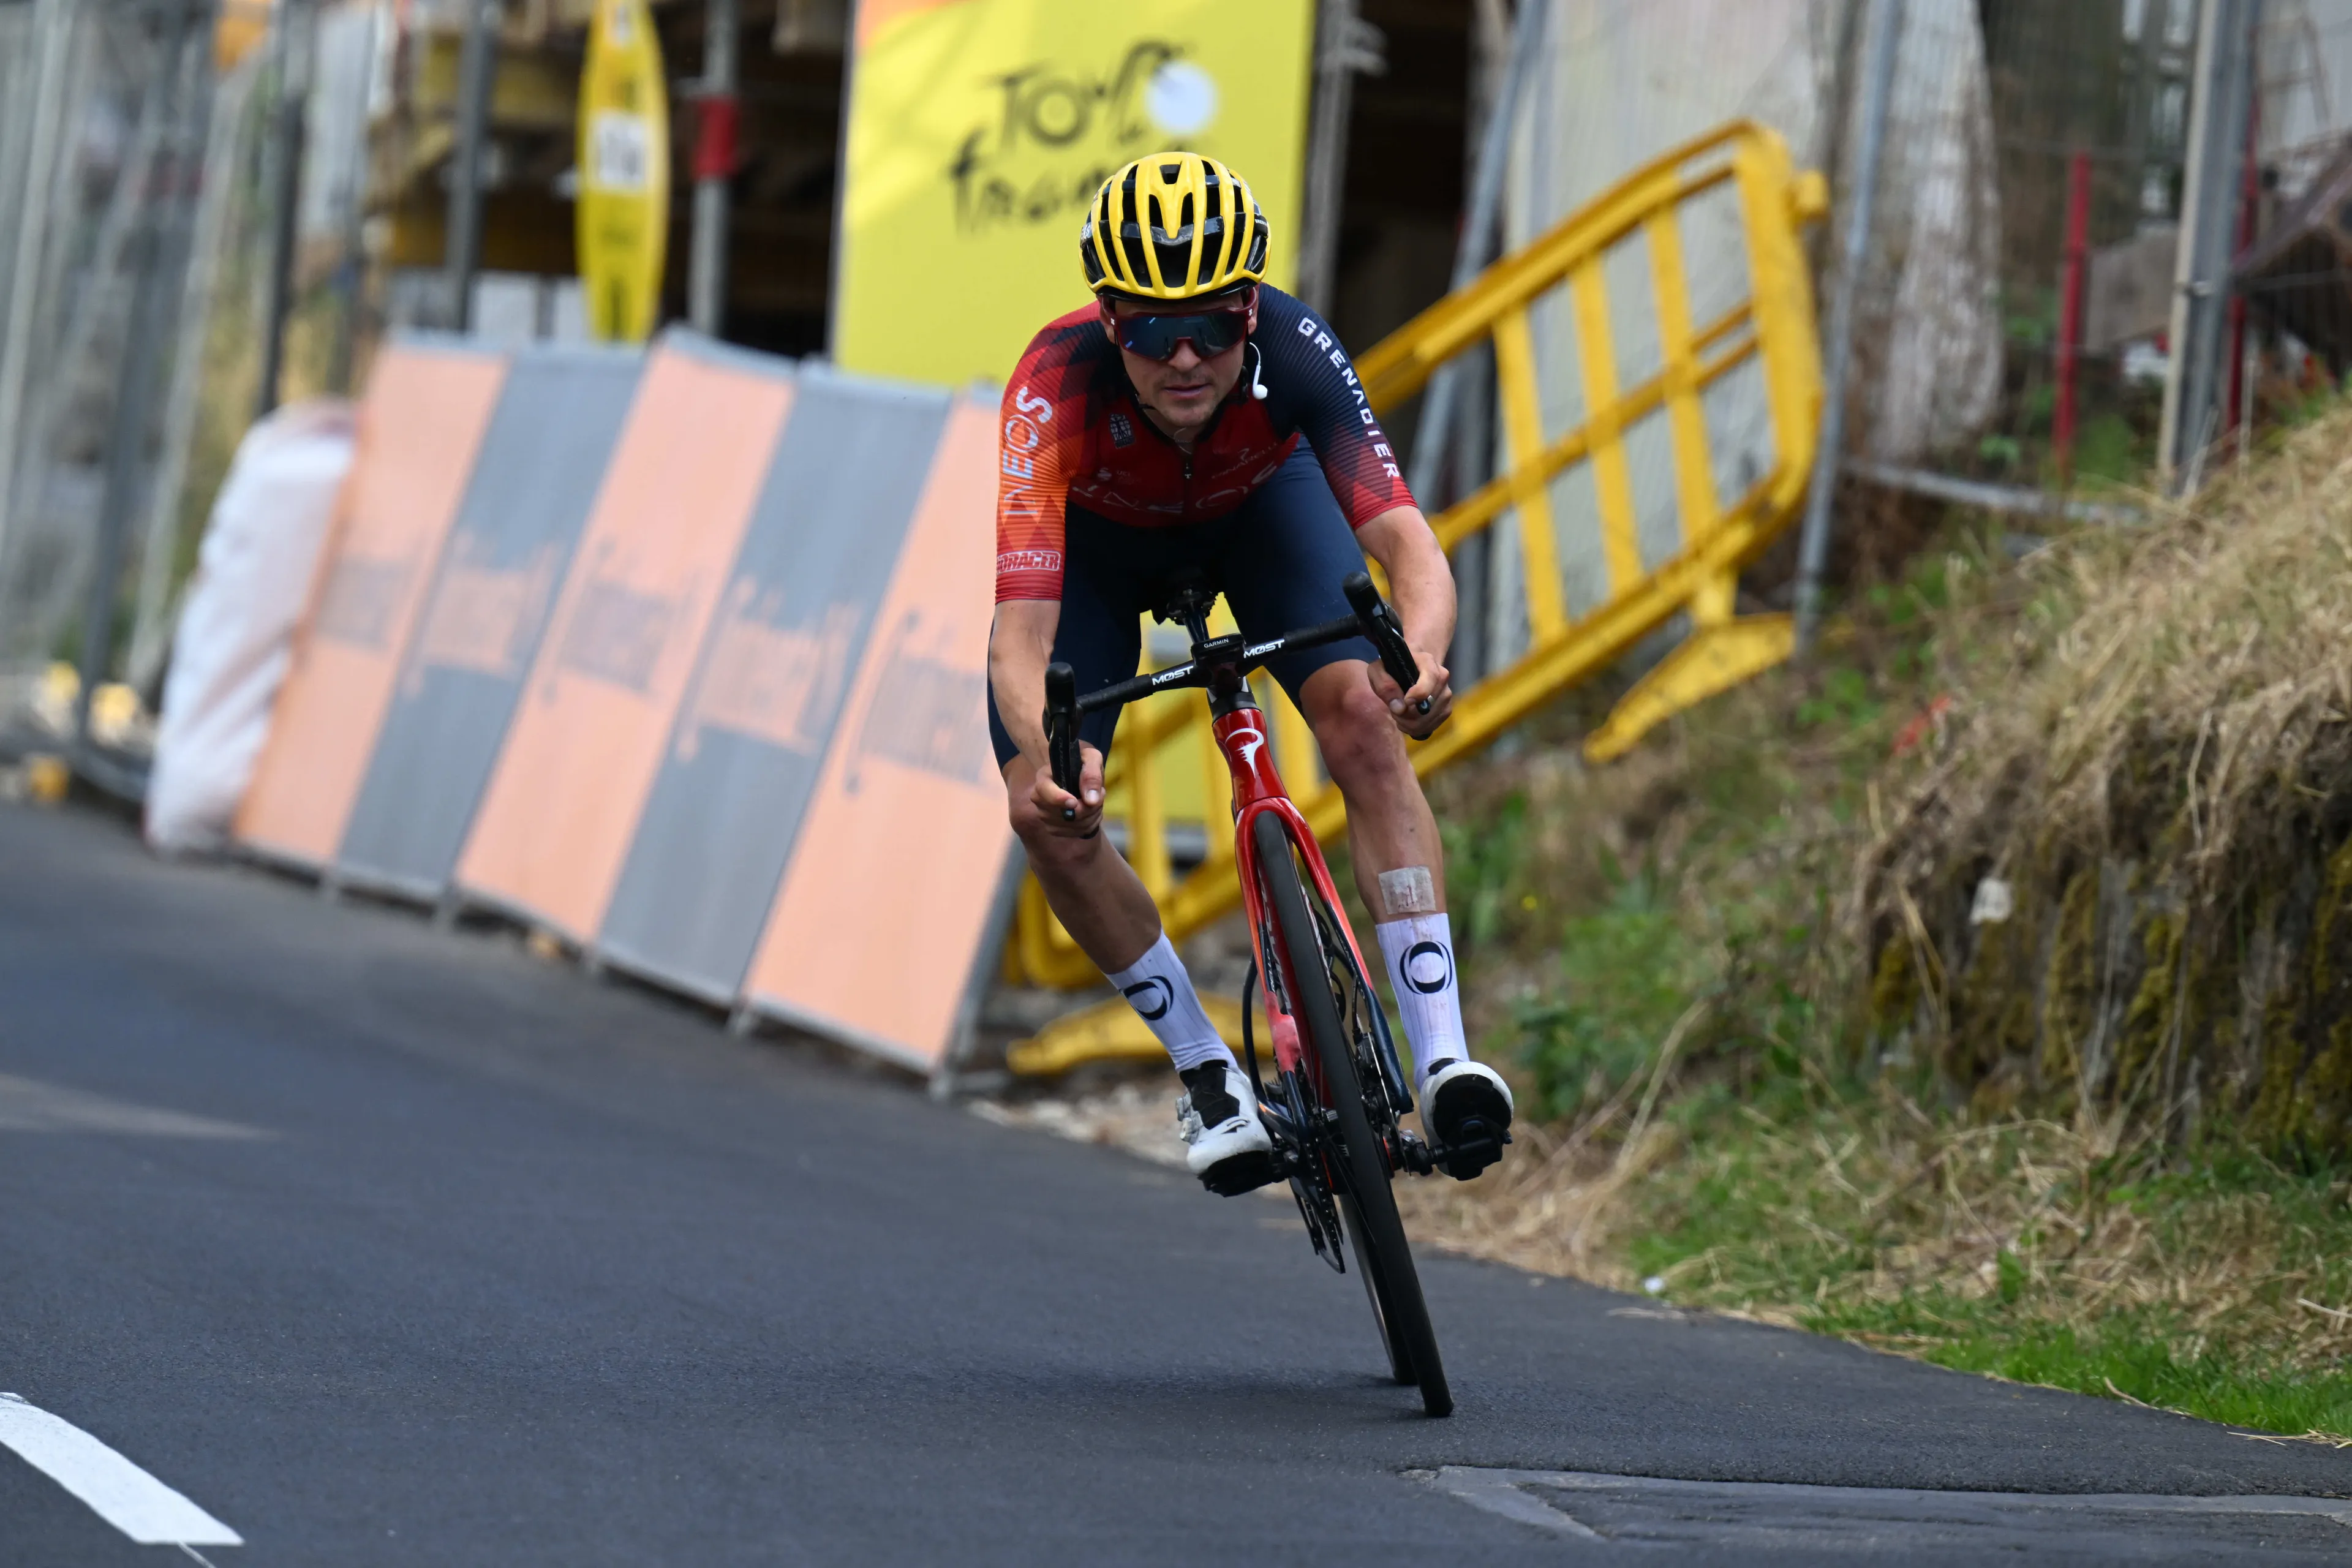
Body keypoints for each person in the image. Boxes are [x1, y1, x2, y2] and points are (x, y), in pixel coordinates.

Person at [986, 152, 1512, 1192]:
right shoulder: (1052, 388)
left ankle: (1444, 1054)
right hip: (1102, 550)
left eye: (1215, 330)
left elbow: (1410, 547)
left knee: (1363, 714)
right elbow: (1021, 637)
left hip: (1262, 513)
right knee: (1043, 810)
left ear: (1250, 316)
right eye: (1150, 333)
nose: (1186, 359)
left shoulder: (1302, 348)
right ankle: (1209, 1077)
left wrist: (1425, 659)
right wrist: (1055, 762)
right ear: (1109, 320)